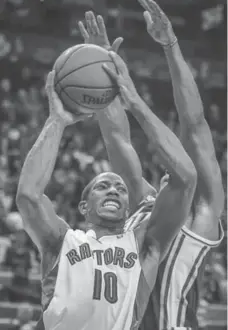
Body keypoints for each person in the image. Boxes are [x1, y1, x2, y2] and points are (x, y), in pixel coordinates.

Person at [16, 42, 196, 329]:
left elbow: (185, 179)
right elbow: (28, 196)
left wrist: (135, 102)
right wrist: (57, 121)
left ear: (128, 210)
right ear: (83, 206)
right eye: (103, 186)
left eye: (121, 189)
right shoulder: (63, 240)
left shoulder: (143, 243)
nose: (114, 188)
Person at [79, 0, 224, 330]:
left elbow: (195, 124)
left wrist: (170, 45)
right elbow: (117, 138)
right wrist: (103, 69)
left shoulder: (201, 211)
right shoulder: (141, 203)